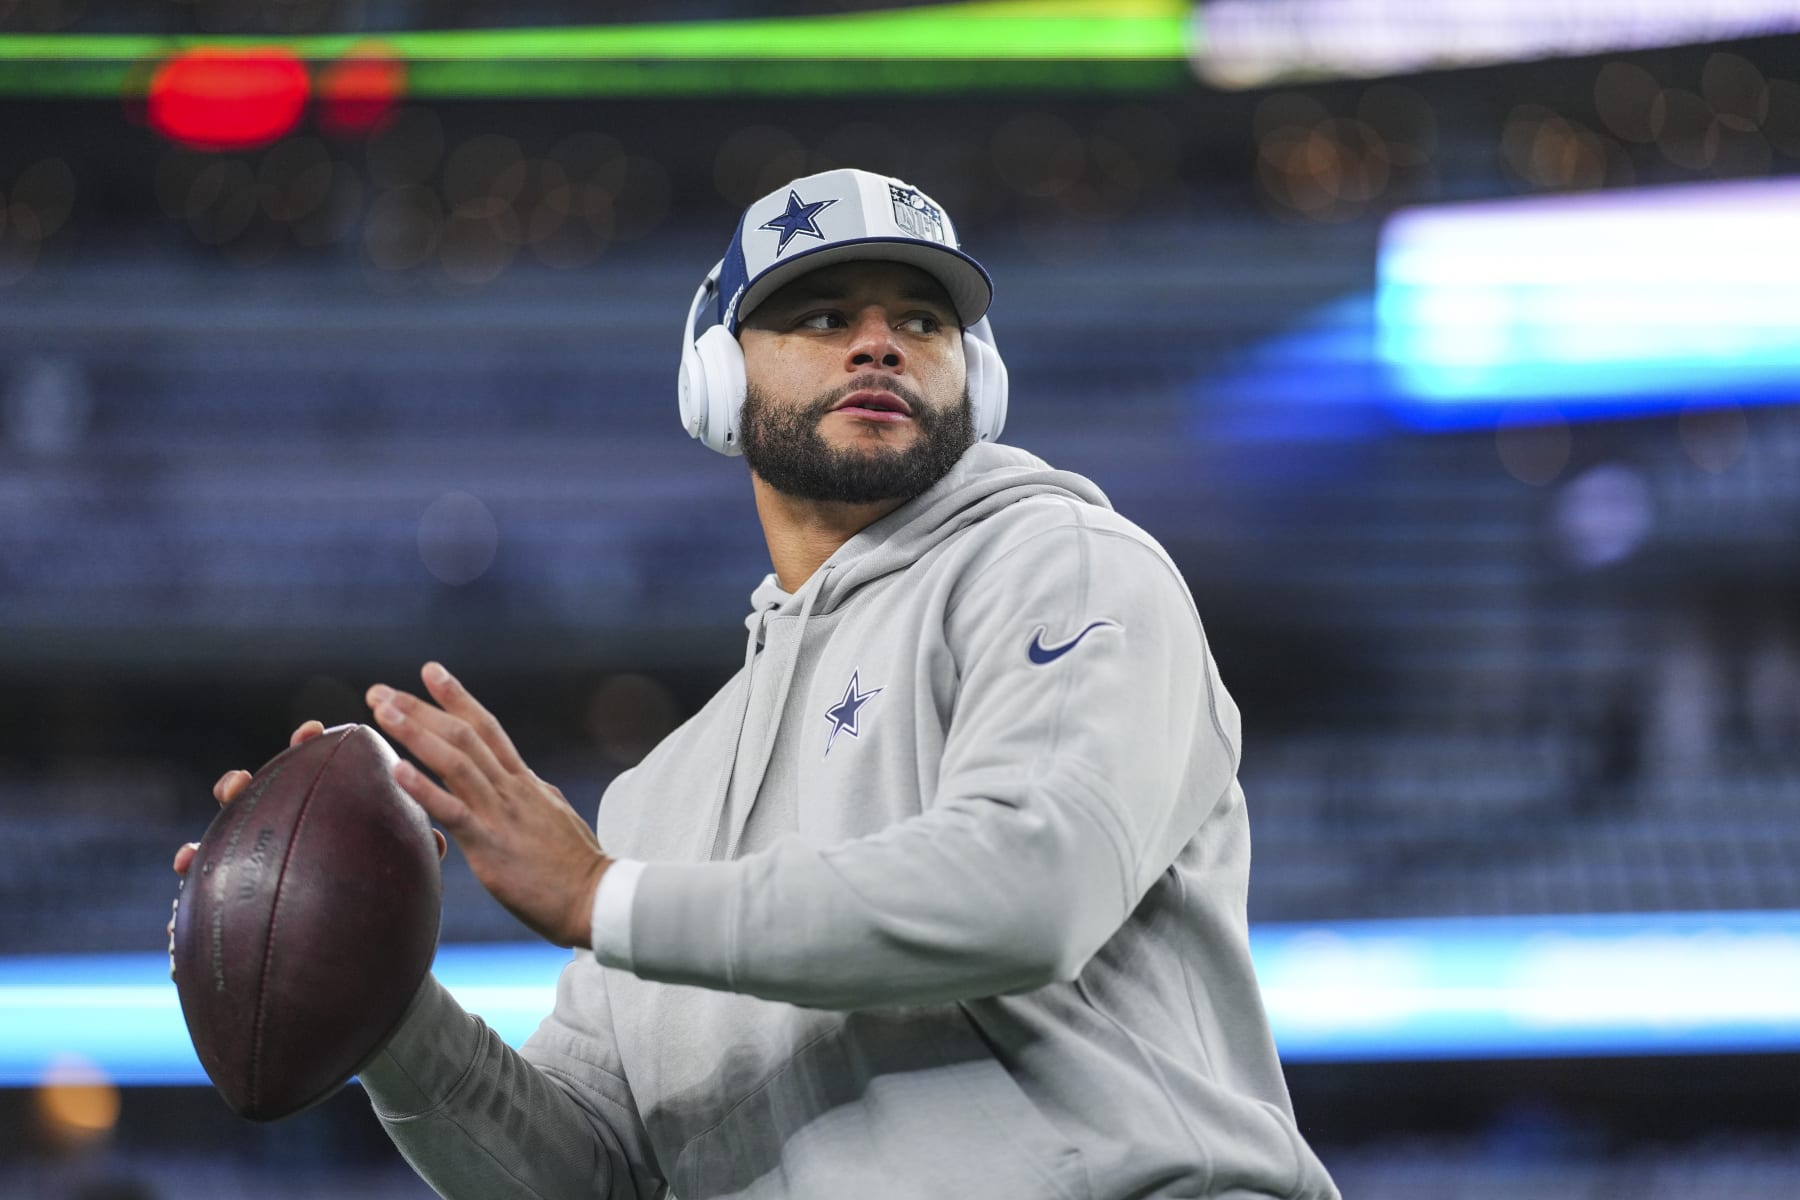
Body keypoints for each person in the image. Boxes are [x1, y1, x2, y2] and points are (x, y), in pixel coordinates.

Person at [171, 169, 1339, 1200]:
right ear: (717, 379)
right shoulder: (658, 797)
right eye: (822, 316)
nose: (879, 344)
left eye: (923, 321)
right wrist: (384, 1001)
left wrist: (602, 897)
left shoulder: (1063, 562)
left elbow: (1031, 887)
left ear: (973, 379)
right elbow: (597, 1174)